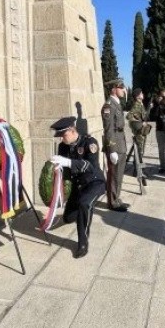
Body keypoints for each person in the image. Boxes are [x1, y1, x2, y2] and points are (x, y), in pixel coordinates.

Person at [49, 117, 107, 258]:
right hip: (78, 185)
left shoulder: (89, 142)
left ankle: (83, 242)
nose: (62, 139)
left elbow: (90, 166)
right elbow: (65, 168)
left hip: (94, 182)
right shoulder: (63, 146)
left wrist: (68, 162)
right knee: (68, 218)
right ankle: (83, 212)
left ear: (72, 130)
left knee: (84, 204)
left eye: (64, 135)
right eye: (60, 136)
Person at [101, 78, 129, 212]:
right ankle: (112, 202)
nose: (124, 90)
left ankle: (116, 197)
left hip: (121, 143)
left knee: (119, 174)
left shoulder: (117, 104)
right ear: (113, 89)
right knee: (114, 175)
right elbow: (108, 129)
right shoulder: (108, 106)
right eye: (121, 87)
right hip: (115, 145)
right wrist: (111, 149)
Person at [126, 87, 151, 160]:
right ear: (137, 96)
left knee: (141, 150)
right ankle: (139, 168)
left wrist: (149, 108)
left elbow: (143, 116)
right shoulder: (136, 105)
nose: (143, 94)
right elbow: (128, 116)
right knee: (140, 151)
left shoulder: (140, 104)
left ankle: (138, 168)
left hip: (142, 131)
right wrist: (140, 122)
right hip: (139, 131)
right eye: (141, 93)